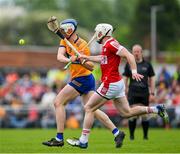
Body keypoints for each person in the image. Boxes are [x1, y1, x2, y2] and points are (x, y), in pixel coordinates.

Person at [67, 23, 169, 149]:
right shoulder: (106, 45)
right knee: (127, 112)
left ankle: (83, 141)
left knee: (88, 108)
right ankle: (157, 109)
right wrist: (85, 56)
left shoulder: (111, 43)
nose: (96, 35)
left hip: (110, 83)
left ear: (102, 32)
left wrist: (134, 71)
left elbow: (129, 55)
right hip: (116, 83)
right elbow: (102, 58)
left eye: (97, 32)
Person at [42, 19, 125, 147]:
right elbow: (60, 57)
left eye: (64, 30)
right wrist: (71, 58)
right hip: (81, 79)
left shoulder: (82, 45)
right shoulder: (64, 41)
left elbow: (91, 67)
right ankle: (117, 132)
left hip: (83, 79)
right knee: (92, 110)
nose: (63, 32)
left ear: (70, 29)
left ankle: (59, 138)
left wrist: (80, 60)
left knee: (58, 102)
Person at [123, 44, 156, 140]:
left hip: (144, 93)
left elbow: (152, 78)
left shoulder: (147, 64)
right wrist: (125, 89)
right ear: (132, 53)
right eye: (134, 52)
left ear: (141, 52)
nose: (136, 53)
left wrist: (152, 92)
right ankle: (131, 136)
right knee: (131, 115)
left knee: (145, 115)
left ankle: (145, 136)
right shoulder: (129, 64)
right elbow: (125, 77)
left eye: (138, 51)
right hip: (132, 93)